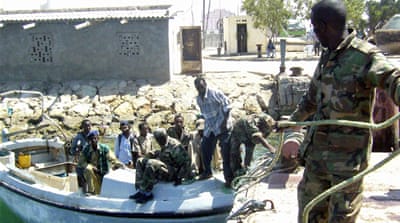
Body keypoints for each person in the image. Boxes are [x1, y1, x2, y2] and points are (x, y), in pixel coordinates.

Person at [281, 0, 400, 222]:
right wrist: (290, 124)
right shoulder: (328, 56)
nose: (314, 33)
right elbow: (311, 100)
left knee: (341, 218)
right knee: (309, 214)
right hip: (317, 159)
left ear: (323, 26)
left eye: (315, 28)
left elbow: (393, 80)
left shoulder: (364, 56)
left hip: (347, 165)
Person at [130, 128, 192, 203]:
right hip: (164, 167)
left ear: (165, 136)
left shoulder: (175, 145)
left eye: (159, 139)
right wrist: (154, 153)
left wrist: (179, 177)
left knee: (152, 163)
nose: (158, 141)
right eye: (157, 139)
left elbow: (186, 162)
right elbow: (165, 153)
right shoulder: (163, 143)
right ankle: (141, 190)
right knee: (140, 161)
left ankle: (147, 193)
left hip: (173, 173)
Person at [194, 76, 234, 187]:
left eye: (201, 87)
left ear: (205, 84)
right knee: (204, 148)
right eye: (197, 88)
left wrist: (223, 123)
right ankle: (207, 172)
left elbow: (228, 106)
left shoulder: (214, 93)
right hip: (210, 127)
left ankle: (229, 178)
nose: (200, 89)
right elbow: (205, 115)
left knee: (225, 152)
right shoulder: (198, 99)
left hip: (222, 126)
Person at [229, 113, 276, 177]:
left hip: (250, 138)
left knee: (249, 154)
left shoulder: (268, 120)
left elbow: (272, 126)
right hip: (238, 133)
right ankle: (233, 174)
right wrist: (271, 148)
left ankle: (246, 169)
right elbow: (258, 136)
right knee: (234, 153)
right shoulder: (250, 122)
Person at [78, 130, 123, 195]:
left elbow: (112, 158)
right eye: (91, 139)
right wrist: (91, 167)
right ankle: (91, 191)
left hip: (102, 172)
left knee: (100, 191)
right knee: (88, 169)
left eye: (95, 138)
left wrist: (118, 164)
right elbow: (81, 162)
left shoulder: (104, 148)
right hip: (92, 173)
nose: (93, 140)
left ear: (98, 138)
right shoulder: (86, 149)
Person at [70, 119, 92, 190]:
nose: (88, 127)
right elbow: (72, 150)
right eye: (86, 126)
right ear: (82, 126)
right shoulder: (78, 137)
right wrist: (77, 152)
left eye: (89, 126)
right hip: (81, 161)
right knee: (81, 177)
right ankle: (82, 192)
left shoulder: (93, 135)